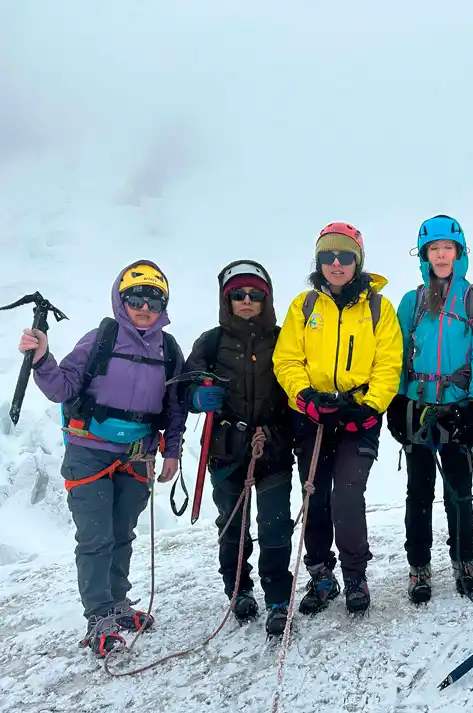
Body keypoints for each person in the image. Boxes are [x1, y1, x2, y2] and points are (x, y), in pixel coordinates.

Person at [18, 261, 186, 656]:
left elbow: (174, 407)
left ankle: (118, 604)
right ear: (121, 299)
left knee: (122, 533)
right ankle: (99, 616)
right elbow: (63, 388)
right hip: (89, 453)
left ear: (163, 305)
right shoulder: (100, 339)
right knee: (95, 538)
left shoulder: (169, 350)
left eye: (153, 299)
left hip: (137, 454)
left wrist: (173, 452)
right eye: (135, 298)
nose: (144, 307)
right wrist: (43, 359)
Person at [273, 222, 402, 615]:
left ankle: (355, 574)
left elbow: (389, 363)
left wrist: (369, 406)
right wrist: (306, 396)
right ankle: (320, 574)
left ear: (357, 260)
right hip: (312, 417)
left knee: (346, 494)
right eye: (328, 256)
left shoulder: (379, 307)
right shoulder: (304, 306)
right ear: (319, 261)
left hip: (358, 416)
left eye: (345, 256)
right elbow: (287, 359)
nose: (336, 263)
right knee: (314, 494)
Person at [387, 215, 473, 603]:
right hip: (417, 406)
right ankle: (419, 565)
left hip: (456, 406)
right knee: (418, 491)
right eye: (434, 249)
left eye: (447, 248)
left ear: (459, 252)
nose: (441, 255)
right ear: (424, 255)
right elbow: (397, 353)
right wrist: (397, 399)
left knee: (458, 490)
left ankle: (464, 560)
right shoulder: (411, 301)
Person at [183, 260, 295, 637]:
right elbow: (184, 386)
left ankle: (278, 597)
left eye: (254, 295)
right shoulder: (210, 342)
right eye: (238, 295)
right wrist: (197, 396)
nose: (246, 301)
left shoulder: (285, 339)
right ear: (226, 300)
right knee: (234, 527)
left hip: (274, 445)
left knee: (276, 525)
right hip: (226, 449)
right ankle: (239, 589)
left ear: (267, 299)